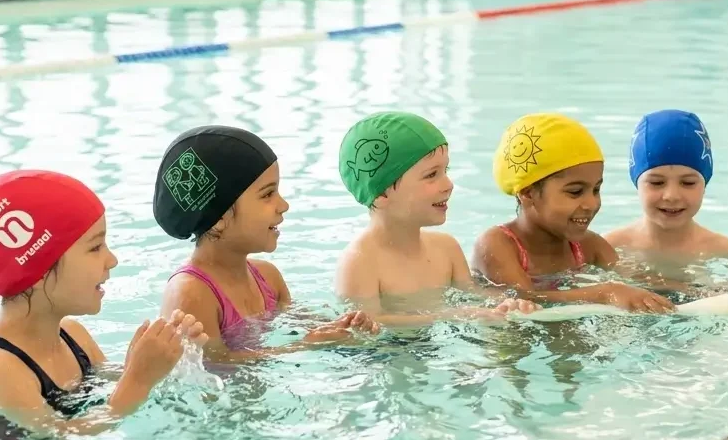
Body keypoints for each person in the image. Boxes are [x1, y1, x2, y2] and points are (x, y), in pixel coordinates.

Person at [0, 169, 207, 435]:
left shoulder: (74, 336)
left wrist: (170, 355)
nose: (112, 260)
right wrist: (138, 379)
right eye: (95, 247)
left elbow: (117, 388)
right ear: (38, 270)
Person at [154, 125, 380, 361]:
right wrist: (305, 346)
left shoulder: (268, 278)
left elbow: (299, 322)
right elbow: (215, 364)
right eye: (267, 194)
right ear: (219, 217)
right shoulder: (191, 293)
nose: (283, 205)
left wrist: (344, 325)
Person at [333, 111, 540, 324]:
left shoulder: (446, 248)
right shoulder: (360, 262)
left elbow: (473, 297)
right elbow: (367, 327)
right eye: (431, 175)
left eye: (445, 170)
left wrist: (509, 304)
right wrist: (449, 317)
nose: (448, 184)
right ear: (382, 193)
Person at [471, 112, 674, 313]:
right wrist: (605, 293)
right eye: (575, 192)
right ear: (528, 193)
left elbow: (639, 281)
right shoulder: (496, 244)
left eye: (596, 189)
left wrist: (697, 292)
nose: (591, 203)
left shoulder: (588, 245)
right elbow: (522, 297)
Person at [605, 110, 728, 261]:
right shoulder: (609, 249)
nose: (671, 196)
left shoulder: (724, 252)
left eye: (688, 183)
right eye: (657, 182)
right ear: (637, 183)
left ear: (704, 185)